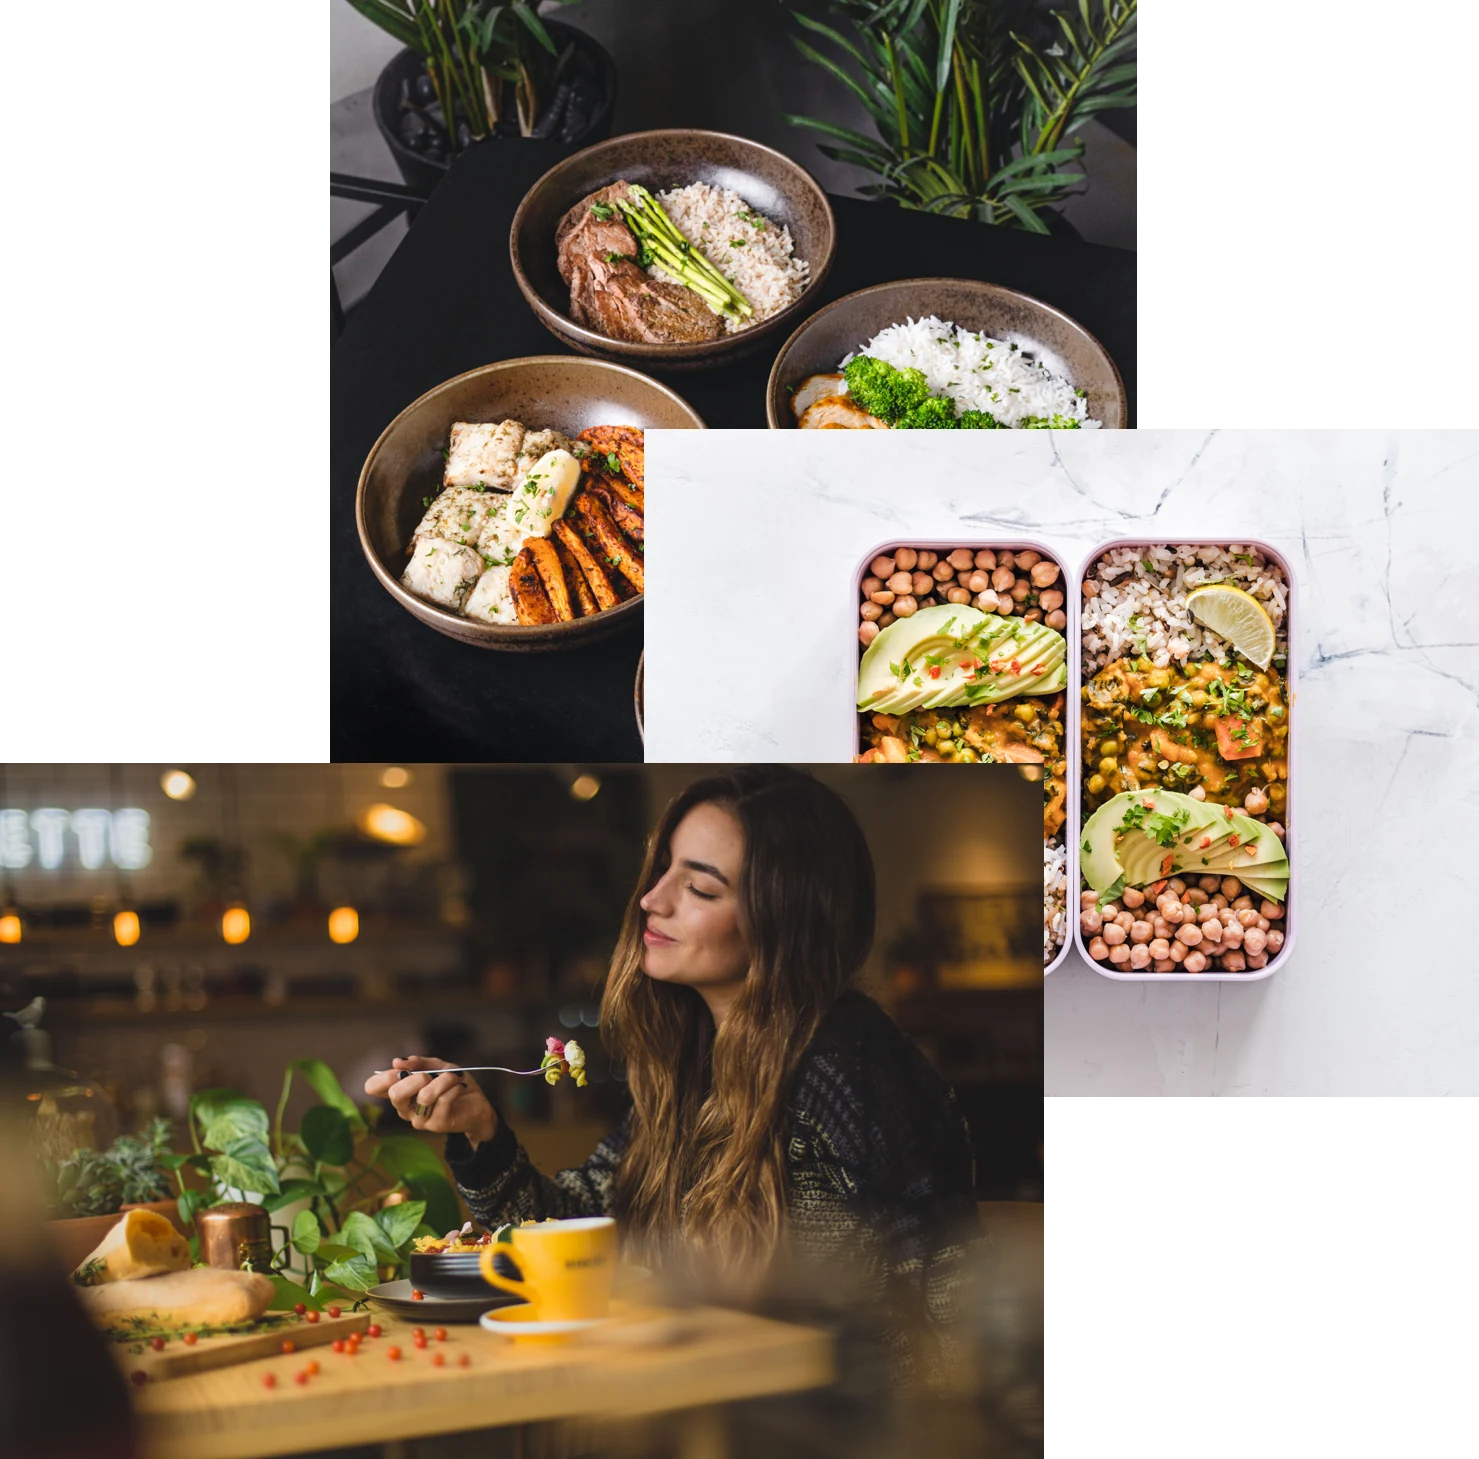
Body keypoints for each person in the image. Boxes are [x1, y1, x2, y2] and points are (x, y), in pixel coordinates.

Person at [364, 767, 982, 1389]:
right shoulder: (695, 1063)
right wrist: (480, 1130)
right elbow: (583, 1230)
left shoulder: (847, 1066)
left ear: (784, 920)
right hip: (714, 1400)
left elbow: (950, 1294)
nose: (652, 900)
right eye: (663, 871)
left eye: (702, 890)